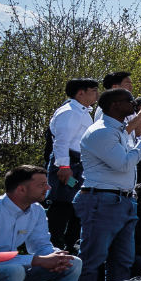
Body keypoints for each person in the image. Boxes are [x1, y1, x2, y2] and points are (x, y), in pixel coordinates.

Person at [73, 88, 141, 281]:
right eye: (128, 101)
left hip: (123, 201)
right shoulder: (101, 132)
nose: (134, 104)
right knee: (92, 261)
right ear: (114, 105)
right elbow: (123, 164)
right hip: (102, 201)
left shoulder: (120, 131)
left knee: (123, 261)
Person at [46, 78, 100, 253]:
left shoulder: (83, 112)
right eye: (93, 91)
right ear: (81, 92)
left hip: (79, 165)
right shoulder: (69, 111)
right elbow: (61, 141)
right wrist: (63, 166)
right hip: (68, 164)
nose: (97, 95)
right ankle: (53, 245)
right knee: (62, 204)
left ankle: (71, 244)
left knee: (77, 204)